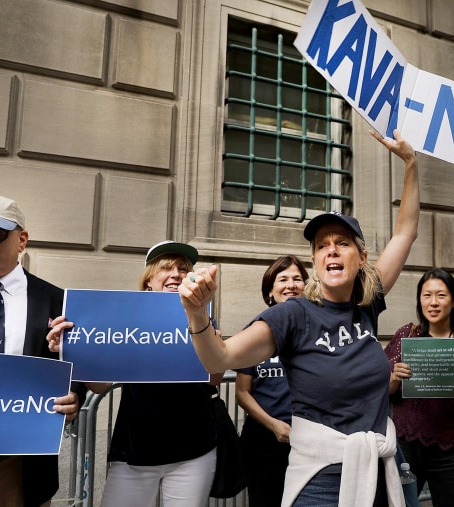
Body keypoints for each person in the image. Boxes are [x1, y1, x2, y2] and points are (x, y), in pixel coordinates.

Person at [179, 129, 419, 506]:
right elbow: (219, 358)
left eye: (342, 243)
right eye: (322, 245)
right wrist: (196, 311)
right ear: (315, 261)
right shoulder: (293, 315)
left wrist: (409, 164)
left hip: (377, 472)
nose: (331, 250)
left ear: (361, 258)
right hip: (320, 481)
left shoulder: (366, 306)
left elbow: (406, 231)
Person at [48, 241, 220, 507]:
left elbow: (213, 380)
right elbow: (101, 385)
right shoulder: (126, 318)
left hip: (193, 448)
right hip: (134, 449)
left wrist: (215, 350)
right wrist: (71, 351)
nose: (176, 274)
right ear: (148, 280)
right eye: (166, 268)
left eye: (183, 268)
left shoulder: (202, 319)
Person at [0, 194, 85, 506]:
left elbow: (75, 374)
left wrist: (73, 399)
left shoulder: (56, 301)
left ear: (21, 241)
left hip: (17, 466)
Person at [385, 268, 454, 507]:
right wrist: (394, 377)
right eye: (427, 295)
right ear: (420, 300)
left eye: (441, 295)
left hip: (449, 447)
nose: (433, 302)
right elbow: (383, 391)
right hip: (406, 445)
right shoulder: (407, 335)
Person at [235, 255, 309, 506]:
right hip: (263, 441)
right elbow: (242, 393)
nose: (291, 285)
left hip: (310, 439)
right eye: (283, 279)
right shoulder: (255, 330)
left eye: (297, 279)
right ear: (270, 289)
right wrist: (273, 425)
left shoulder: (316, 331)